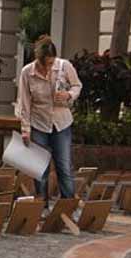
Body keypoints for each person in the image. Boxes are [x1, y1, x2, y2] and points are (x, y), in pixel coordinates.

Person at [17, 36, 82, 204]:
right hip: (38, 123)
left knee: (64, 166)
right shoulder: (27, 72)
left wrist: (69, 95)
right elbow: (24, 103)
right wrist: (25, 130)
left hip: (61, 122)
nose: (48, 67)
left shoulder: (64, 66)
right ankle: (41, 204)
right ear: (37, 60)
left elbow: (77, 85)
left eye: (51, 63)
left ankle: (68, 204)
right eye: (45, 63)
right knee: (40, 167)